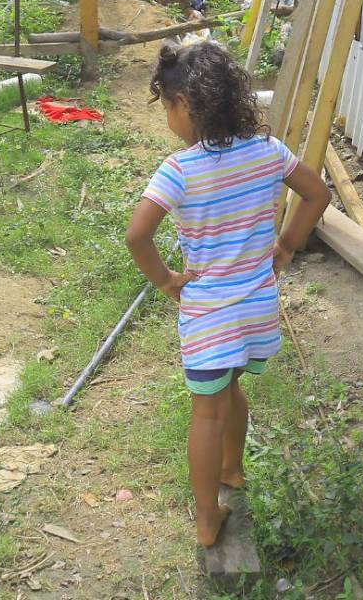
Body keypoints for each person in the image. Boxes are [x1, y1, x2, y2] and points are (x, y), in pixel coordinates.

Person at [125, 41, 330, 547]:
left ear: (186, 105)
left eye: (168, 106)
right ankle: (233, 470)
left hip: (209, 313)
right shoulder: (268, 151)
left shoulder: (180, 170)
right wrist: (285, 245)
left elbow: (137, 236)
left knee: (207, 410)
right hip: (256, 306)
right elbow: (318, 193)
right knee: (232, 389)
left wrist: (167, 280)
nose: (168, 117)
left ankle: (205, 518)